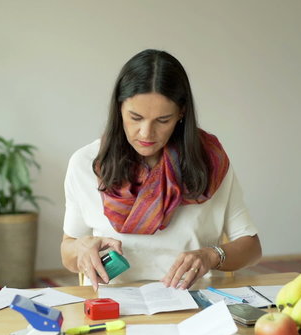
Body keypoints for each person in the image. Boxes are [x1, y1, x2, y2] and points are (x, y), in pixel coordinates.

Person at [61, 49, 261, 291]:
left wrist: (210, 256)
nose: (146, 133)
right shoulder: (85, 163)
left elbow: (251, 248)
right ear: (119, 108)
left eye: (163, 120)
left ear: (181, 113)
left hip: (196, 304)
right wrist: (81, 250)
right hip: (115, 307)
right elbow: (67, 252)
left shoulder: (210, 162)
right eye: (135, 118)